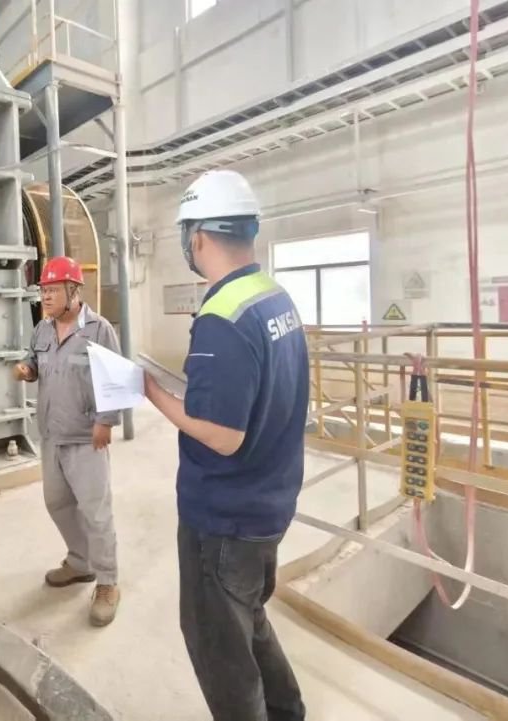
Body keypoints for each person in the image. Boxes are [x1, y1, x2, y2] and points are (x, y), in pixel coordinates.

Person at [144, 170, 309, 721]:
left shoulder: (221, 317)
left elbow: (221, 434)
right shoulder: (274, 297)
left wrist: (152, 393)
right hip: (269, 503)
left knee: (220, 648)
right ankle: (287, 711)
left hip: (225, 519)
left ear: (196, 237)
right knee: (249, 617)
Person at [14, 256, 123, 627]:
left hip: (86, 436)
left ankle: (107, 582)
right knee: (57, 502)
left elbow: (115, 379)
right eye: (43, 290)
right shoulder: (42, 329)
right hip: (51, 435)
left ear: (74, 291)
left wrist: (106, 421)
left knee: (96, 511)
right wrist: (27, 369)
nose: (45, 297)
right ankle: (80, 562)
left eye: (52, 290)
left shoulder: (98, 329)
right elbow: (34, 361)